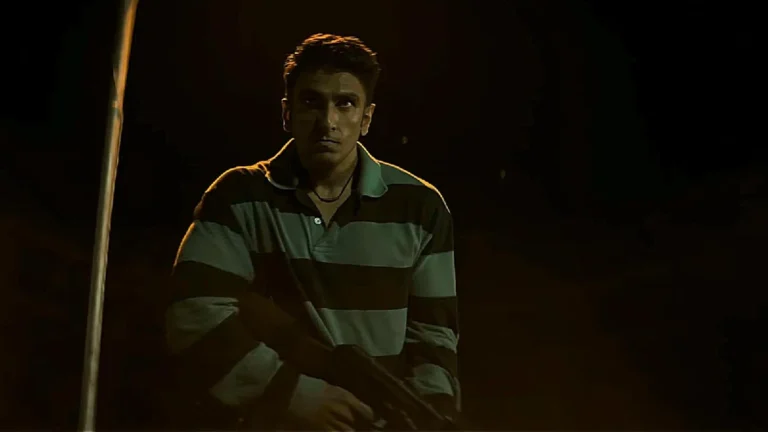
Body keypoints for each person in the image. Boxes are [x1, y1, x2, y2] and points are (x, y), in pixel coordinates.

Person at [165, 33, 460, 431]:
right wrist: (293, 394)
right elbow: (192, 313)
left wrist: (429, 412)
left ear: (367, 118)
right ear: (286, 113)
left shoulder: (420, 206)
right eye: (311, 102)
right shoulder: (240, 196)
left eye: (345, 103)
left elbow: (434, 338)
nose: (328, 122)